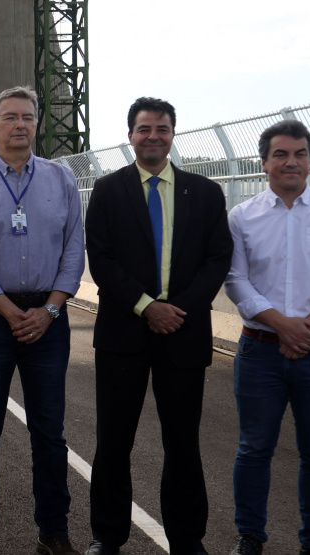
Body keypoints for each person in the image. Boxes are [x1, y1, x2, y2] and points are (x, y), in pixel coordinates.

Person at [83, 97, 233, 555]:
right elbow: (101, 260)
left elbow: (217, 259)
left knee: (183, 444)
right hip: (123, 335)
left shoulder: (205, 193)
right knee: (113, 442)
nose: (153, 136)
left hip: (183, 333)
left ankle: (187, 540)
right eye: (144, 129)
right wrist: (148, 306)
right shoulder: (107, 191)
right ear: (130, 135)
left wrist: (176, 309)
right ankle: (107, 537)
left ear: (173, 134)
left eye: (162, 129)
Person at [0, 86, 85, 555]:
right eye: (10, 116)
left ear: (36, 124)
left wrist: (49, 311)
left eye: (28, 116)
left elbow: (74, 249)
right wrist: (11, 312)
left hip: (48, 321)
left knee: (49, 432)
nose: (20, 124)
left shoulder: (61, 180)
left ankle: (53, 531)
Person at [225, 120, 310, 555]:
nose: (291, 161)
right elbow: (236, 280)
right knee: (254, 449)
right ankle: (250, 538)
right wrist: (284, 326)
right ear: (264, 162)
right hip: (260, 351)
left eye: (299, 154)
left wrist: (307, 328)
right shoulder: (242, 216)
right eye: (281, 154)